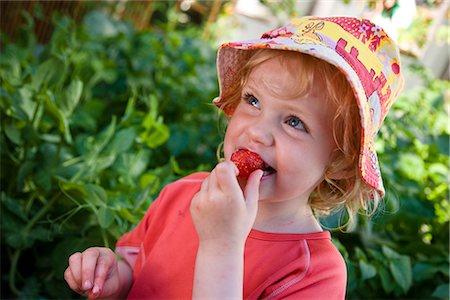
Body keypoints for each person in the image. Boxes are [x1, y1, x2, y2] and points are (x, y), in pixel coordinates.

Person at [64, 16, 404, 299]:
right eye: (253, 100)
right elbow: (136, 266)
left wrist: (222, 245)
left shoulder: (314, 273)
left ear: (339, 160)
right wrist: (111, 275)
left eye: (294, 122)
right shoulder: (186, 194)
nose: (257, 131)